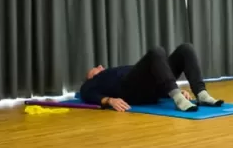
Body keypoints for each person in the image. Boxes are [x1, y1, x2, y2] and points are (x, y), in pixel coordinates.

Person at [78, 43, 223, 113]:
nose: (100, 66)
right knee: (156, 52)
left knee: (186, 49)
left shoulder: (113, 70)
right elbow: (86, 93)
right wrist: (109, 100)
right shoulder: (94, 82)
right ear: (91, 76)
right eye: (96, 68)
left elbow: (156, 76)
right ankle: (177, 98)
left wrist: (174, 89)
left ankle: (201, 93)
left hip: (148, 86)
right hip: (129, 88)